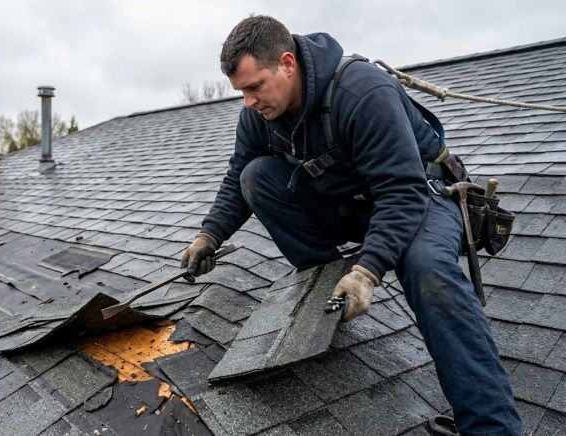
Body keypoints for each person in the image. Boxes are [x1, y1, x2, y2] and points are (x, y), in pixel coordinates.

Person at [181, 15, 522, 435]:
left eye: (254, 87)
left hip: (423, 195)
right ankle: (326, 293)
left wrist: (368, 271)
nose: (248, 102)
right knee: (257, 176)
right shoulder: (259, 113)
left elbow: (402, 192)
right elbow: (237, 177)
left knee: (428, 270)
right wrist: (208, 234)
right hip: (351, 203)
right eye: (241, 92)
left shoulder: (362, 91)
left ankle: (491, 426)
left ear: (287, 64)